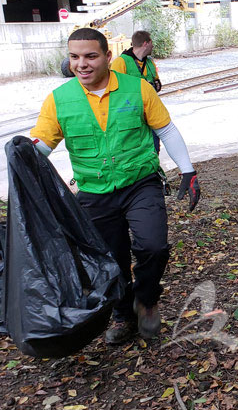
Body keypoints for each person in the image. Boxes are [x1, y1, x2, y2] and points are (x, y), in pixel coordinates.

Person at [30, 28, 201, 344]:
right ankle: (124, 316)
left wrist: (187, 171)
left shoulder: (137, 90)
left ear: (108, 57)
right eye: (75, 57)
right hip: (94, 191)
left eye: (90, 56)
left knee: (153, 246)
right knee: (112, 261)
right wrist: (24, 152)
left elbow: (167, 131)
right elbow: (42, 143)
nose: (82, 64)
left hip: (140, 184)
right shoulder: (59, 100)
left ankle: (147, 300)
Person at [110, 30, 163, 153]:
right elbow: (114, 90)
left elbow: (157, 83)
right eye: (151, 43)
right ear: (146, 43)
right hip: (131, 117)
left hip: (150, 113)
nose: (153, 46)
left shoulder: (149, 62)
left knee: (154, 148)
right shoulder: (121, 62)